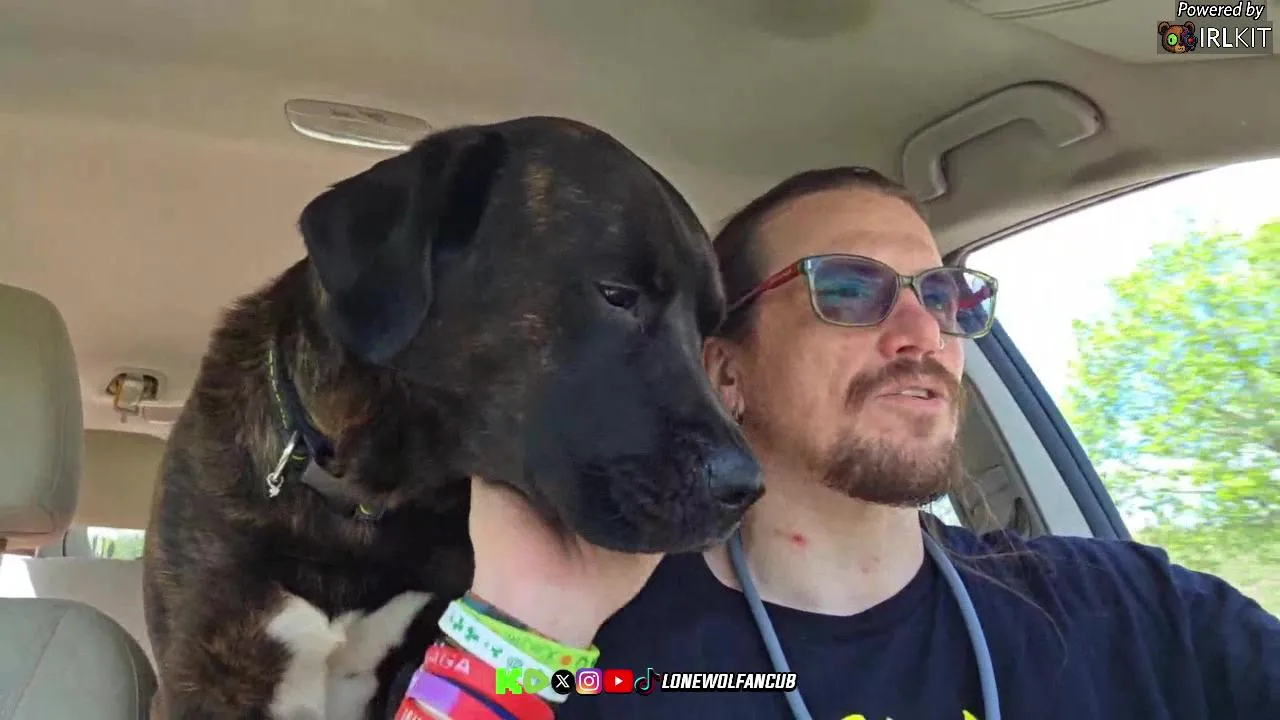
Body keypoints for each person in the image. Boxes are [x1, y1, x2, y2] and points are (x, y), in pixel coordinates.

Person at [424, 167, 1280, 719]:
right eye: (848, 289)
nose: (923, 333)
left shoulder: (1131, 611)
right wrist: (521, 628)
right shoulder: (588, 655)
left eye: (943, 296)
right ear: (725, 371)